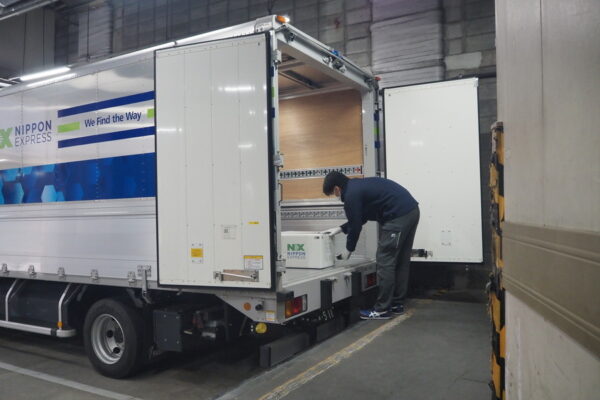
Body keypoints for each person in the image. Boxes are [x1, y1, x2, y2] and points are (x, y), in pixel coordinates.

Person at [323, 171, 420, 320]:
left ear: (337, 188)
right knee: (401, 260)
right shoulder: (357, 187)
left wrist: (349, 249)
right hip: (411, 211)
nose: (335, 197)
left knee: (385, 259)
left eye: (332, 194)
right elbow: (361, 217)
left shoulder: (351, 194)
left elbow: (356, 225)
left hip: (398, 216)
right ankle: (397, 304)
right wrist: (341, 228)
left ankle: (382, 309)